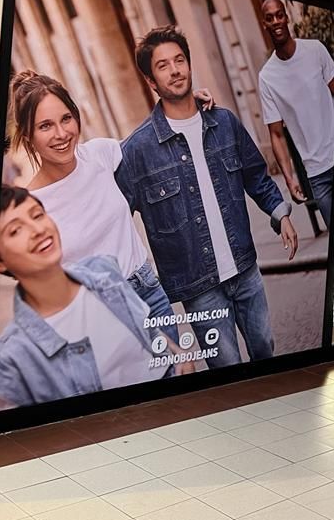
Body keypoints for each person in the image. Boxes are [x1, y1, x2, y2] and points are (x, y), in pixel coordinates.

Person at [117, 26, 298, 367]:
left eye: (180, 60)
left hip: (244, 268)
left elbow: (255, 175)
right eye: (163, 65)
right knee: (226, 368)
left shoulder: (223, 122)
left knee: (265, 350)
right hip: (198, 288)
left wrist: (280, 212)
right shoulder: (138, 151)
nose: (175, 70)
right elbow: (114, 214)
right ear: (151, 81)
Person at [8, 71, 212, 342]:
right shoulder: (31, 205)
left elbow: (146, 143)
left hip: (149, 294)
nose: (61, 134)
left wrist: (182, 106)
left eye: (66, 118)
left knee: (178, 377)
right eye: (45, 126)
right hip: (98, 316)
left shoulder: (100, 154)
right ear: (28, 135)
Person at [0, 186, 171, 410]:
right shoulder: (10, 361)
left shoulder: (103, 271)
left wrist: (179, 358)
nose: (37, 230)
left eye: (38, 215)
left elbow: (149, 331)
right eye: (15, 231)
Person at [257, 0, 334, 227]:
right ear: (265, 24)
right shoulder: (267, 77)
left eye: (279, 15)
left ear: (286, 17)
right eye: (269, 18)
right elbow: (276, 133)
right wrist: (289, 177)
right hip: (316, 173)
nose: (276, 21)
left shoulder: (315, 51)